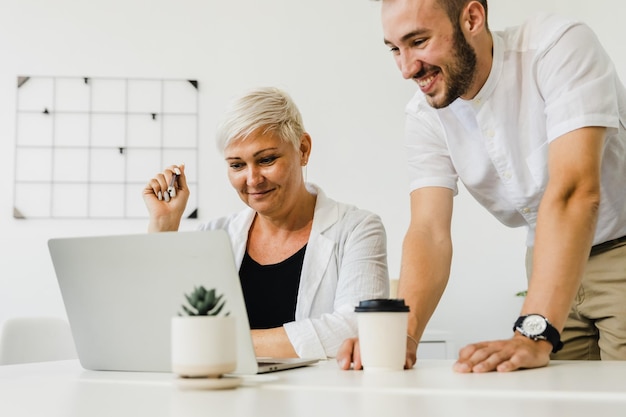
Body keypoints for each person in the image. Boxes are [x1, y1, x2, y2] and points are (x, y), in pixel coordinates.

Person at [338, 0, 626, 372]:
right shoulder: (425, 116)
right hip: (545, 264)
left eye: (419, 41)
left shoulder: (558, 47)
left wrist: (533, 333)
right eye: (395, 49)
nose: (407, 68)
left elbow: (574, 192)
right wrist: (404, 335)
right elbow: (428, 231)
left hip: (620, 254)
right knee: (559, 402)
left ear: (472, 18)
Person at [143, 86, 389, 360]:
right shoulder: (214, 235)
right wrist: (163, 226)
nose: (252, 179)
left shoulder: (357, 228)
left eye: (266, 159)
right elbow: (160, 332)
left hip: (318, 399)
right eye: (237, 165)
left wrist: (219, 340)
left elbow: (360, 329)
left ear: (303, 149)